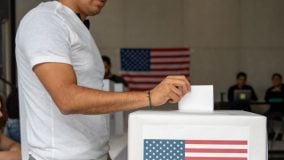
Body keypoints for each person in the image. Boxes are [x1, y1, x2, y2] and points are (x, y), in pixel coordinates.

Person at [15, 0, 190, 160]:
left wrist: (103, 154)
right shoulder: (45, 20)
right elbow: (67, 98)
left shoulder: (74, 24)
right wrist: (150, 97)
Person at [265, 73, 284, 141]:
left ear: (281, 80)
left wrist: (280, 92)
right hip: (273, 111)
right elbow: (266, 99)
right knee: (264, 118)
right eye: (274, 79)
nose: (276, 81)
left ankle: (280, 133)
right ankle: (271, 132)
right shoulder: (270, 90)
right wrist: (273, 92)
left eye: (277, 79)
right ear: (272, 81)